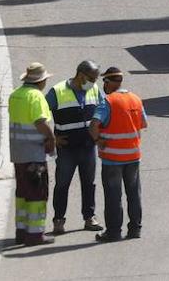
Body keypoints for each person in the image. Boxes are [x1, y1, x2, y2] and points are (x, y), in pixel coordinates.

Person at [45, 59, 105, 235]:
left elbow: (103, 110)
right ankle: (58, 220)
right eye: (92, 78)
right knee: (62, 184)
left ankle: (89, 217)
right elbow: (40, 113)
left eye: (95, 79)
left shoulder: (94, 89)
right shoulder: (58, 91)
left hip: (88, 146)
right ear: (80, 75)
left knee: (89, 183)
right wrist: (52, 137)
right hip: (67, 148)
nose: (94, 82)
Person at [90, 66, 148, 242]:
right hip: (133, 156)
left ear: (108, 82)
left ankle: (114, 232)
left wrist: (98, 140)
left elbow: (93, 125)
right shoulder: (135, 99)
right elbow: (143, 123)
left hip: (112, 158)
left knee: (113, 196)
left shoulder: (107, 101)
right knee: (134, 193)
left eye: (104, 82)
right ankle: (135, 229)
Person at [7, 62, 57, 246]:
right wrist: (51, 139)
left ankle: (21, 231)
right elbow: (40, 122)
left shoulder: (15, 95)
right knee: (37, 193)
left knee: (22, 193)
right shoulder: (36, 97)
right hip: (34, 154)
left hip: (17, 153)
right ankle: (35, 235)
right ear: (41, 81)